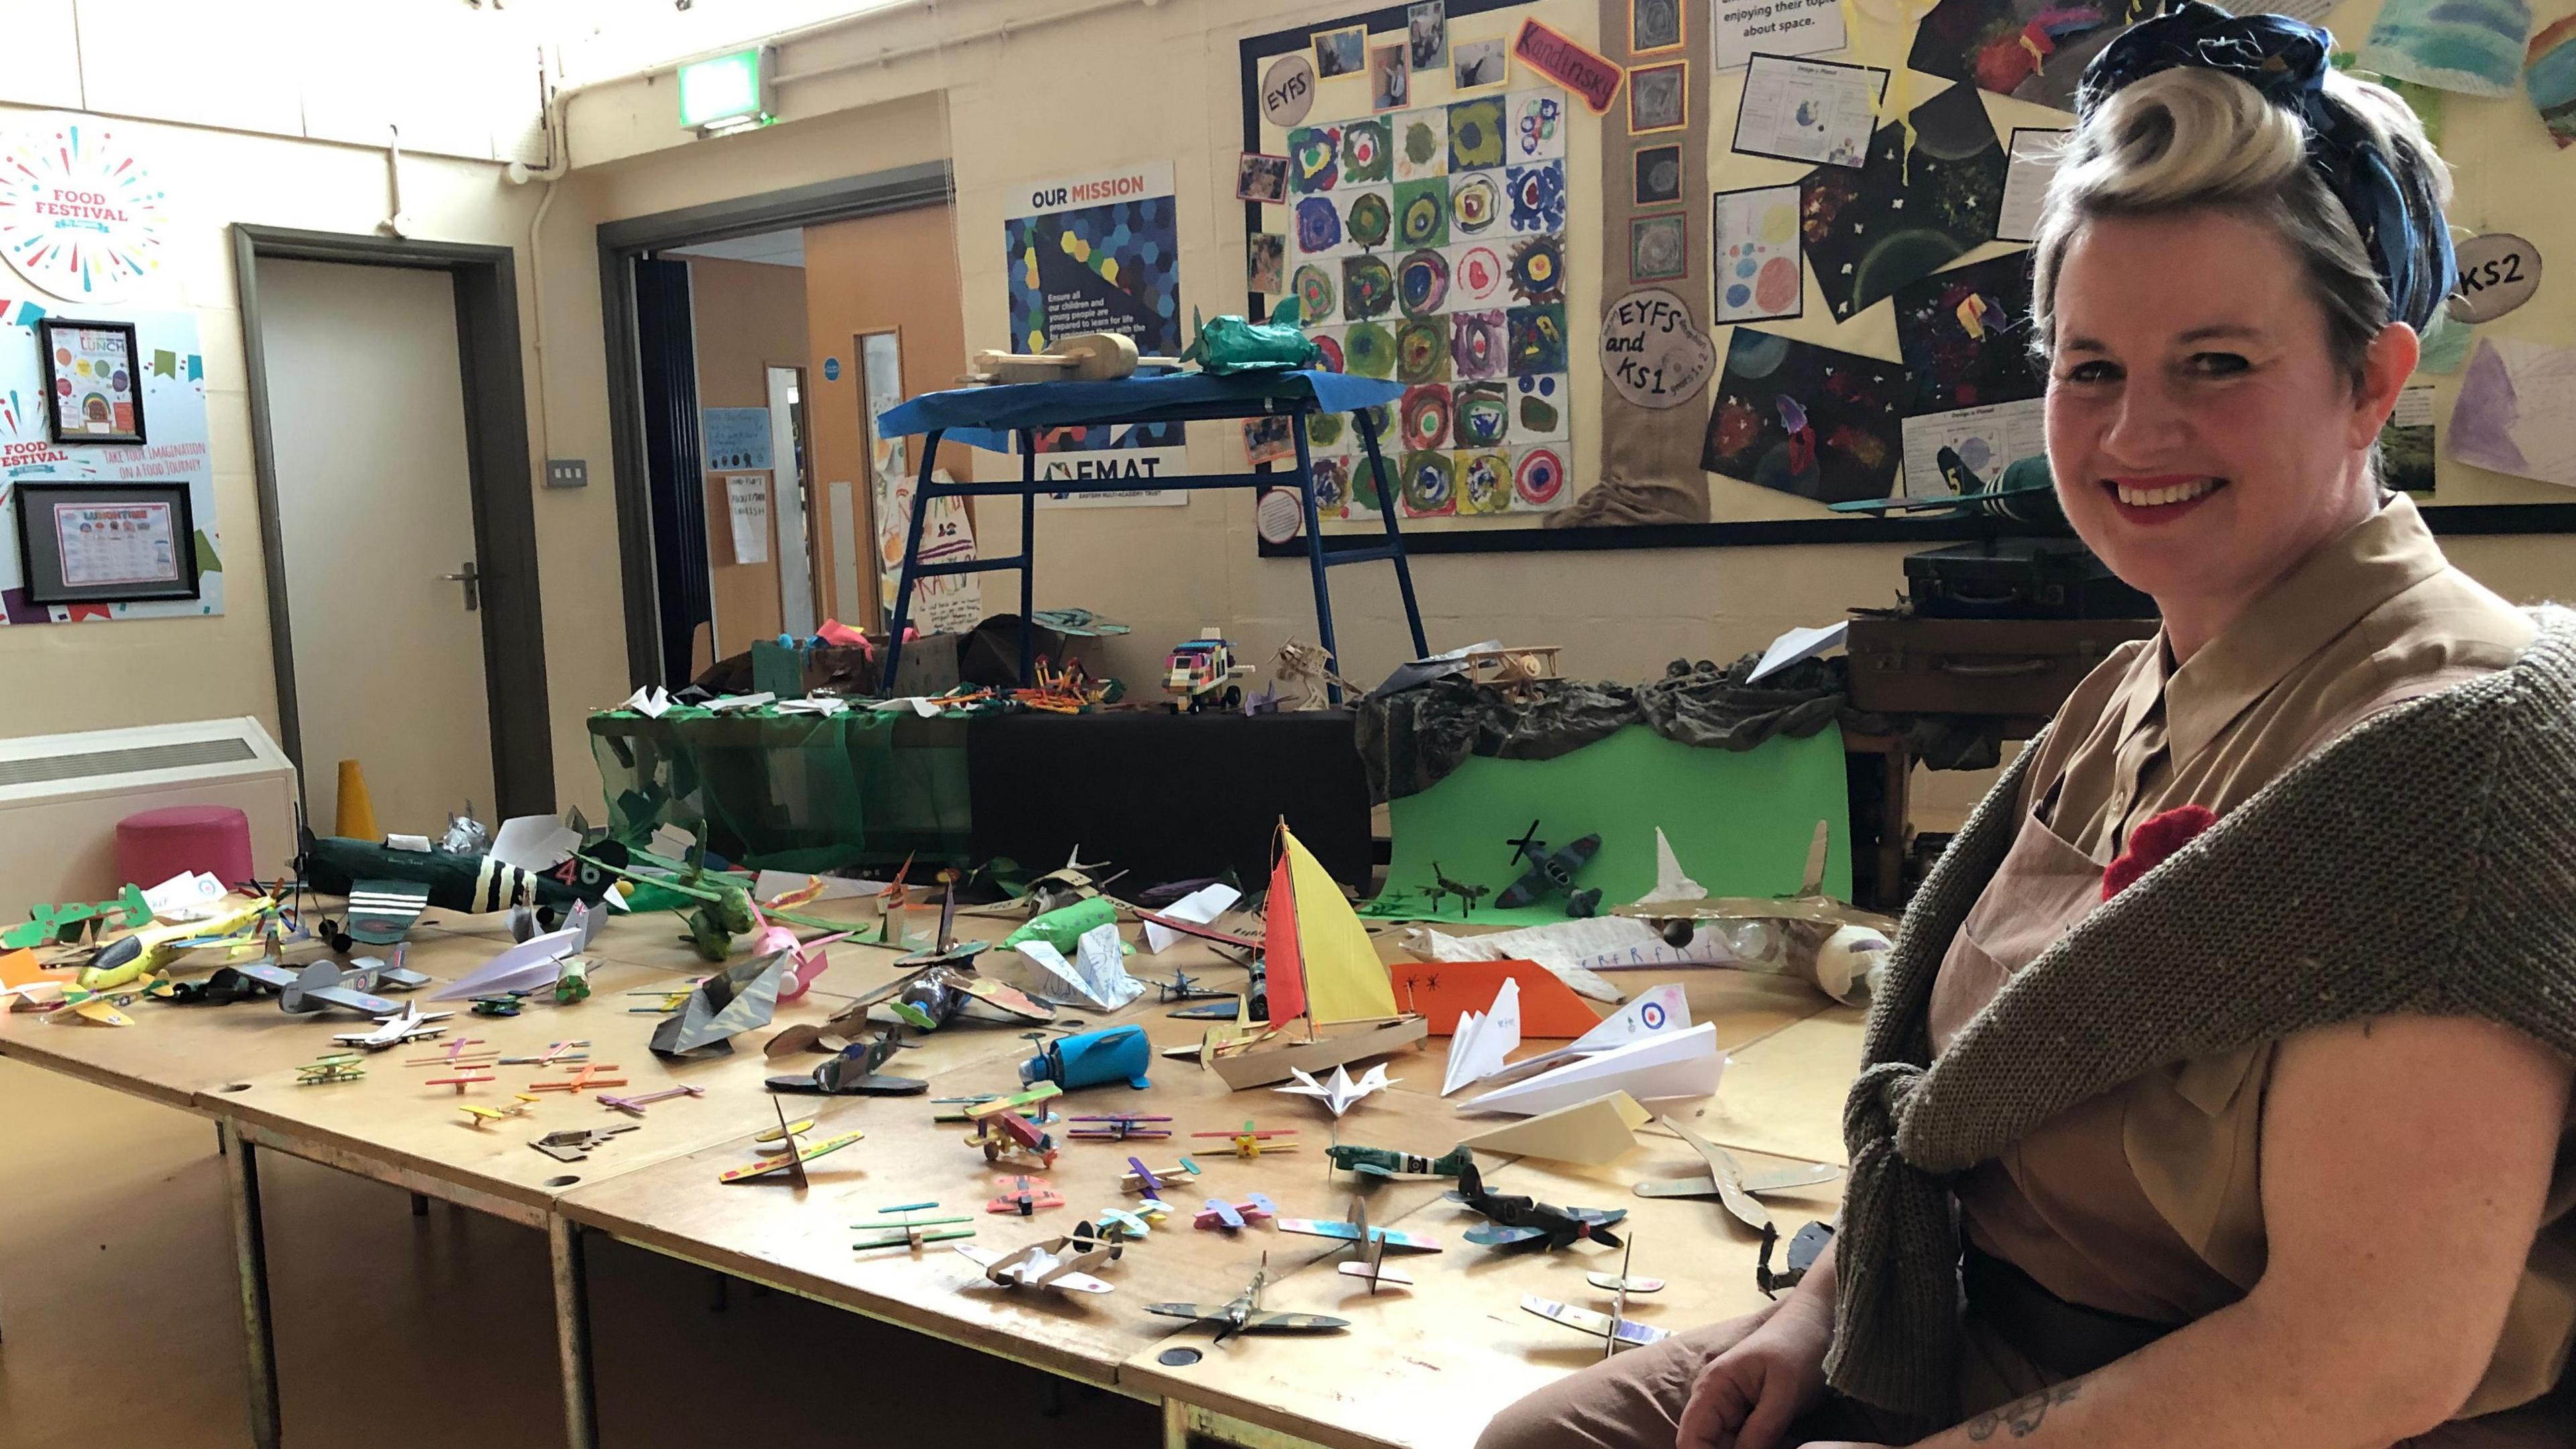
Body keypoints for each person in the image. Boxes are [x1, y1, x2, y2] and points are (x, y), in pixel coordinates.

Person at [1477, 6, 2576, 1447]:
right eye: (2092, 368)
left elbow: (2362, 1358)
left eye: (2218, 364)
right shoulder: (2131, 693)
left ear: (2373, 377)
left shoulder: (2462, 756)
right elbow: (1950, 1106)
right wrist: (1817, 1311)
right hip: (1969, 1314)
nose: (2131, 437)